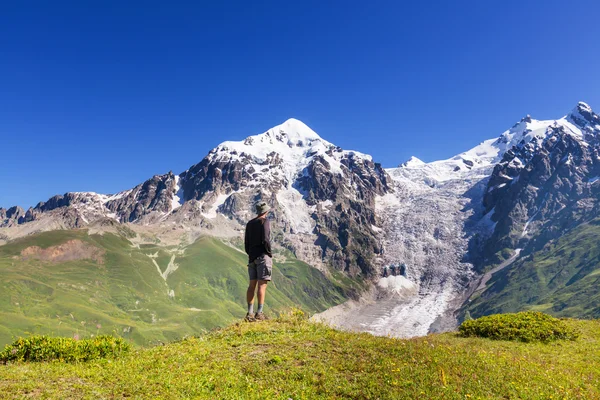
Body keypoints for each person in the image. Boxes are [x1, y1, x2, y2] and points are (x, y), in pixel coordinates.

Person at [244, 201, 273, 321]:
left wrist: (251, 254)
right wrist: (268, 252)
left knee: (251, 285)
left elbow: (246, 243)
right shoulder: (265, 222)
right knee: (262, 285)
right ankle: (259, 313)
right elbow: (266, 239)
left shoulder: (250, 223)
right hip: (262, 256)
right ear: (266, 211)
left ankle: (250, 313)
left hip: (252, 258)